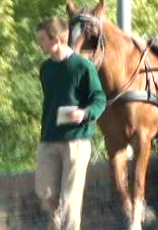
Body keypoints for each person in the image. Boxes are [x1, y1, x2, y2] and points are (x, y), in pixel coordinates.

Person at [34, 17, 107, 230]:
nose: (39, 44)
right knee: (45, 194)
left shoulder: (82, 67)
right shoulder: (45, 69)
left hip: (76, 140)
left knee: (70, 200)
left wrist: (84, 113)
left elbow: (99, 98)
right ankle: (55, 224)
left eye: (42, 40)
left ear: (55, 39)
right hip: (49, 138)